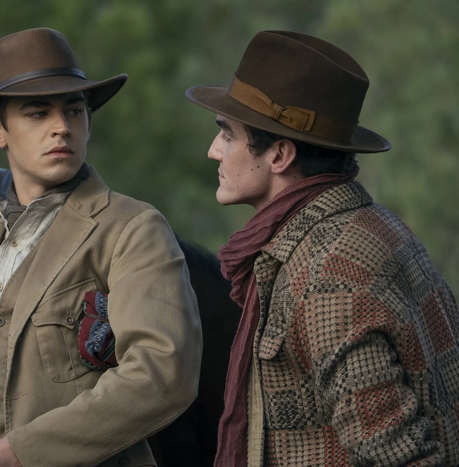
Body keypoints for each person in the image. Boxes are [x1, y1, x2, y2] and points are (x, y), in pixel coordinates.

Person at [0, 28, 202, 467]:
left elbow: (162, 375)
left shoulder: (132, 228)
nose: (62, 127)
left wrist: (14, 455)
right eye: (38, 113)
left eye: (75, 111)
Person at [186, 31, 459, 466]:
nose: (213, 151)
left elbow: (396, 456)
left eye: (228, 135)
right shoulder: (373, 224)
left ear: (279, 155)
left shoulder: (326, 276)